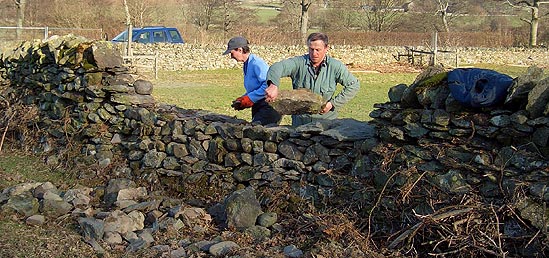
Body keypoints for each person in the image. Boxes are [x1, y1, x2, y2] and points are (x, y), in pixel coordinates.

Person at [265, 32, 360, 127]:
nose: (314, 53)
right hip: (300, 124)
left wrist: (332, 104)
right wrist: (273, 85)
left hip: (326, 124)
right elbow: (277, 67)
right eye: (311, 49)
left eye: (318, 50)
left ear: (326, 48)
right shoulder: (299, 63)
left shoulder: (335, 66)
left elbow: (353, 85)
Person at [223, 36, 282, 126]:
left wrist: (250, 98)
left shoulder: (257, 63)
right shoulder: (247, 64)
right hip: (259, 106)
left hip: (268, 108)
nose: (231, 57)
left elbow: (267, 85)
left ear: (240, 50)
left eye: (232, 53)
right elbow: (255, 87)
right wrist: (243, 99)